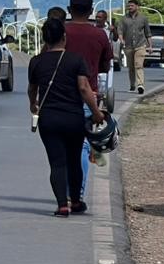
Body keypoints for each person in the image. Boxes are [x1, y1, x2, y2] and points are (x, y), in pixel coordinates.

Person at [28, 17, 106, 216]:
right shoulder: (76, 60)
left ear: (45, 39)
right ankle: (76, 201)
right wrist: (96, 113)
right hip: (73, 118)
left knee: (57, 162)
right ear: (64, 37)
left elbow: (32, 89)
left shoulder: (36, 61)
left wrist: (33, 105)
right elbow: (83, 88)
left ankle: (62, 204)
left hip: (49, 119)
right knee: (73, 160)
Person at [64, 0, 115, 195]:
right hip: (88, 96)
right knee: (82, 147)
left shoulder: (61, 31)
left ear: (69, 8)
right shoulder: (99, 34)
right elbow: (105, 65)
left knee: (63, 149)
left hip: (61, 96)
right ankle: (76, 193)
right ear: (92, 10)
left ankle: (65, 193)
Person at [119, 0, 153, 94]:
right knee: (131, 67)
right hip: (128, 46)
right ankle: (132, 85)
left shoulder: (143, 18)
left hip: (140, 45)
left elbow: (148, 33)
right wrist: (122, 40)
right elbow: (120, 31)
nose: (130, 7)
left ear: (137, 7)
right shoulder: (123, 19)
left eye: (132, 5)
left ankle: (140, 85)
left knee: (139, 65)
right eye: (128, 6)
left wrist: (150, 46)